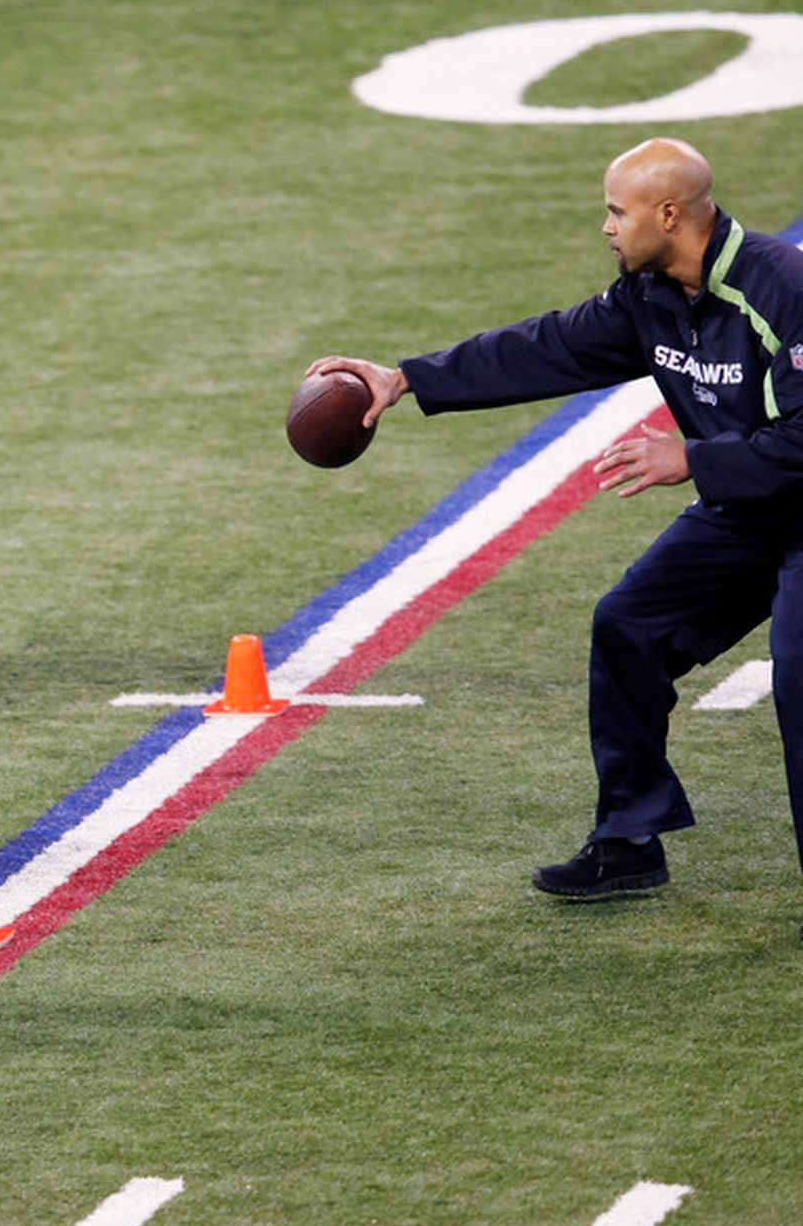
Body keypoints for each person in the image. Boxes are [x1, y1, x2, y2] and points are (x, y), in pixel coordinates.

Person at [307, 137, 803, 898]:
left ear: (668, 215)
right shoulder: (650, 295)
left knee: (799, 673)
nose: (605, 227)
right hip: (750, 510)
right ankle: (629, 840)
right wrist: (407, 377)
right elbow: (550, 346)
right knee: (627, 625)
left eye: (616, 211)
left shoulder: (784, 290)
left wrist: (694, 461)